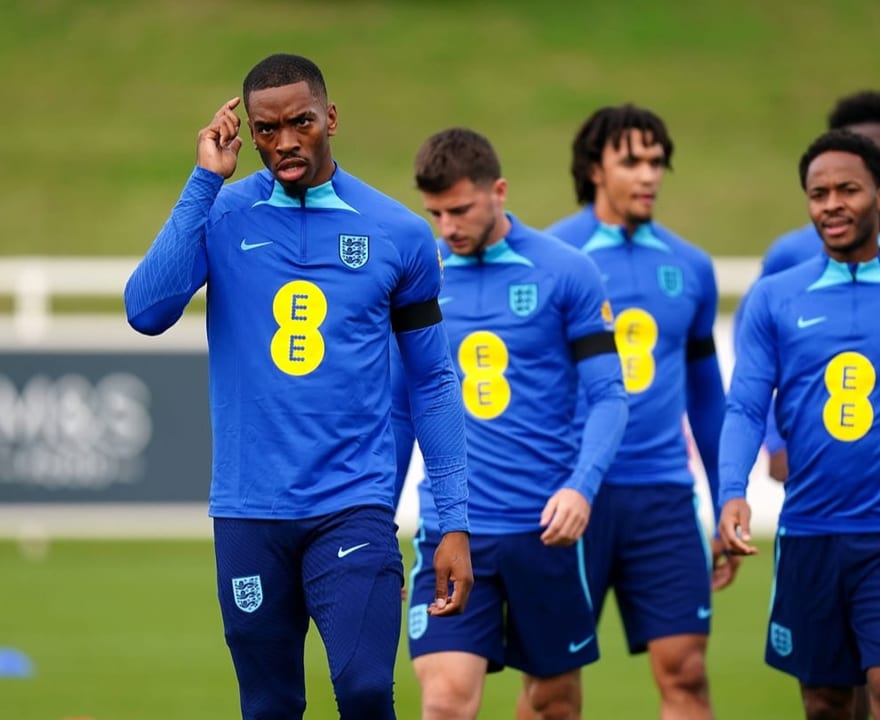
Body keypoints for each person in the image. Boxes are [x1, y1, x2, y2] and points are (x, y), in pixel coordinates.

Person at [123, 53, 474, 720]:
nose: (284, 142)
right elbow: (146, 311)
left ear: (330, 119)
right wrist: (204, 180)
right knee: (270, 704)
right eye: (266, 129)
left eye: (301, 123)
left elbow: (433, 380)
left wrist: (453, 518)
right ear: (248, 132)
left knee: (367, 689)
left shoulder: (398, 234)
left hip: (353, 502)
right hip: (249, 510)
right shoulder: (224, 214)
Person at [719, 128, 880, 720]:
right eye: (817, 193)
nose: (831, 204)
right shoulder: (775, 297)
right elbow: (746, 407)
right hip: (809, 535)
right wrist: (731, 493)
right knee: (826, 704)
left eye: (847, 190)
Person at [393, 127, 628, 720]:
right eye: (436, 213)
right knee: (445, 702)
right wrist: (377, 516)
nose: (447, 226)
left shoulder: (567, 272)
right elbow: (398, 409)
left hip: (543, 529)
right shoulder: (419, 278)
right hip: (452, 529)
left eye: (460, 209)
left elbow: (609, 397)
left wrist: (582, 485)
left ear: (498, 191)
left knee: (553, 703)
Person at [519, 103, 735, 720]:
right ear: (594, 169)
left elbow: (707, 398)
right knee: (550, 693)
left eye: (658, 162)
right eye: (632, 162)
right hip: (568, 498)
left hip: (663, 497)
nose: (650, 176)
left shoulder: (689, 266)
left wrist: (725, 500)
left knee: (688, 676)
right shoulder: (550, 255)